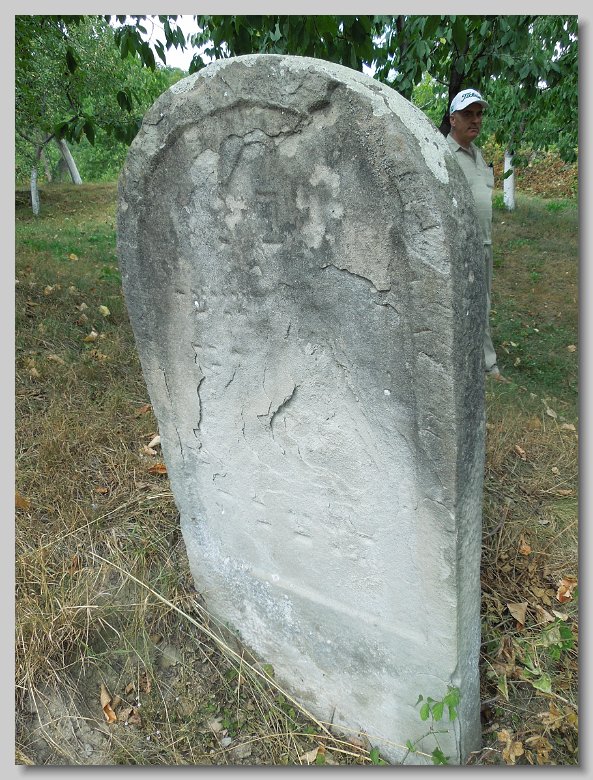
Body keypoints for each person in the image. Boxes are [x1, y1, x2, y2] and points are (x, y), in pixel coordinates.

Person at [446, 88, 508, 382]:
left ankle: (479, 360)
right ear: (453, 119)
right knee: (466, 303)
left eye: (479, 114)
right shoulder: (445, 154)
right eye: (468, 114)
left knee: (482, 303)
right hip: (461, 244)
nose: (476, 120)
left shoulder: (477, 154)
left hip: (484, 243)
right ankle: (484, 365)